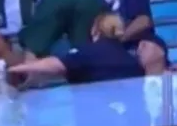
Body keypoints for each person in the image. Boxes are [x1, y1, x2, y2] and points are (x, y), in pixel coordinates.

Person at [8, 12, 145, 83]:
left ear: (95, 30)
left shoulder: (87, 53)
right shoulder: (134, 62)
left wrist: (15, 69)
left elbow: (56, 65)